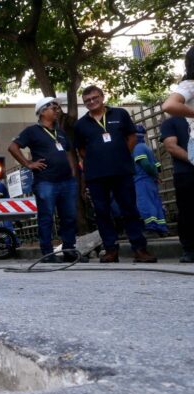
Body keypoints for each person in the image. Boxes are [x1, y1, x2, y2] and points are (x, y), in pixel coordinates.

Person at [74, 86, 157, 263]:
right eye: (87, 100)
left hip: (122, 171)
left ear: (102, 97)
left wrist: (121, 155)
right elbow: (81, 149)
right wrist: (97, 160)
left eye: (94, 97)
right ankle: (111, 250)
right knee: (102, 212)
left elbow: (132, 137)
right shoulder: (80, 125)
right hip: (96, 175)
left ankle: (139, 249)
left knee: (129, 209)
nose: (91, 102)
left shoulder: (120, 114)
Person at [7, 97, 82, 263]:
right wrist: (28, 164)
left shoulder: (60, 132)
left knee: (69, 216)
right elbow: (13, 147)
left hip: (67, 182)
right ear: (42, 111)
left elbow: (69, 151)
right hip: (46, 182)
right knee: (46, 217)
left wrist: (72, 171)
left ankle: (69, 250)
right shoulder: (32, 131)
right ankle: (47, 253)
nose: (57, 111)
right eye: (53, 108)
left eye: (57, 108)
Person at [161, 46, 194, 263]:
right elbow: (169, 105)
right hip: (186, 168)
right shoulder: (190, 86)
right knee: (189, 209)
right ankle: (190, 249)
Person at [160, 116, 193, 262]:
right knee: (188, 212)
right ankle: (190, 249)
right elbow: (171, 146)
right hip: (186, 172)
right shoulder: (172, 122)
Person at [131, 124, 168, 236]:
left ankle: (151, 227)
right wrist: (155, 176)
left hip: (142, 180)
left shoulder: (137, 148)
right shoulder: (147, 148)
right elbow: (158, 166)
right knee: (155, 203)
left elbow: (145, 164)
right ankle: (162, 228)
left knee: (145, 203)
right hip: (150, 181)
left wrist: (153, 174)